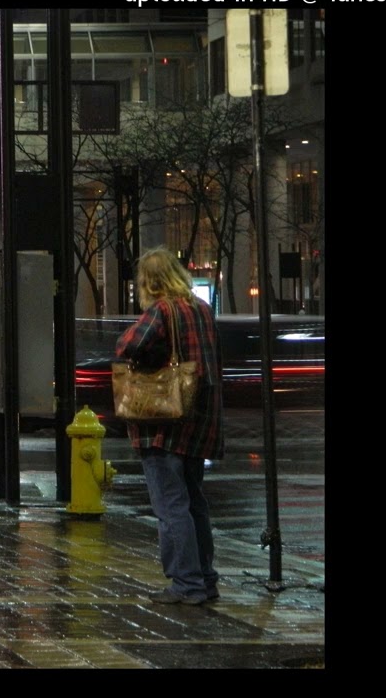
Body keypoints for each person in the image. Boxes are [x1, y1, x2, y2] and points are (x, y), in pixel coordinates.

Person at [114, 246, 223, 606]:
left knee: (171, 505)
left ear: (150, 281)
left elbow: (127, 346)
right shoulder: (202, 308)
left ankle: (186, 583)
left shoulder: (161, 311)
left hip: (164, 422)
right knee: (195, 502)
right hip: (199, 419)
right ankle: (205, 578)